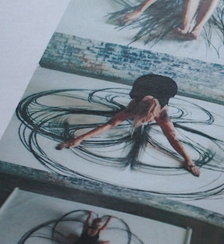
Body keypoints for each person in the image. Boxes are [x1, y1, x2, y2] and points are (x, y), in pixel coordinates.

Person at [57, 74, 201, 176]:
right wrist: (79, 139)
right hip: (144, 82)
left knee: (170, 131)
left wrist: (189, 161)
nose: (145, 123)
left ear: (156, 114)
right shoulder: (133, 107)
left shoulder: (163, 113)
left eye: (148, 120)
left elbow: (172, 138)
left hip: (166, 85)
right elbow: (110, 124)